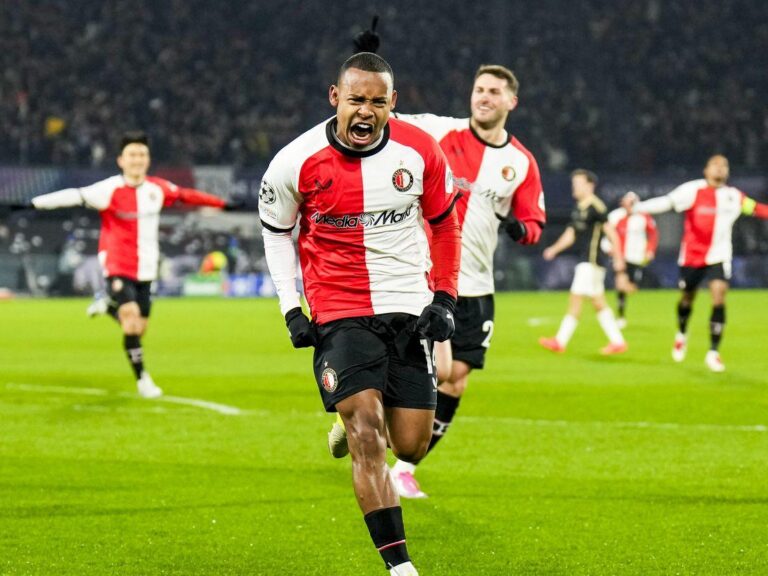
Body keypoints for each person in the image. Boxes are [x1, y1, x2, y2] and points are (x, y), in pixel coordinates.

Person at [259, 52, 460, 576]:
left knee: (411, 442)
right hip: (338, 310)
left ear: (393, 103)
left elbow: (444, 225)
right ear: (335, 98)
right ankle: (399, 566)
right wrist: (291, 306)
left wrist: (444, 298)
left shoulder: (421, 151)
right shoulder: (293, 161)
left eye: (376, 101)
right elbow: (277, 233)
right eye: (355, 100)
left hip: (407, 306)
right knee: (367, 429)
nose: (365, 111)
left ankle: (349, 423)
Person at [329, 63, 546, 500]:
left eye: (493, 91)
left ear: (510, 102)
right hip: (427, 275)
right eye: (478, 88)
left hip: (479, 285)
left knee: (457, 378)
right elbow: (378, 111)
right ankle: (362, 418)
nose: (483, 97)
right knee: (440, 369)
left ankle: (401, 463)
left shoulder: (520, 162)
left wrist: (524, 230)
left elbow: (534, 217)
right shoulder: (438, 132)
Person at [24, 131, 235, 397]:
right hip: (117, 264)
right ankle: (143, 379)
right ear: (121, 160)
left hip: (146, 268)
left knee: (138, 328)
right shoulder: (107, 189)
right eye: (132, 155)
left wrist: (222, 204)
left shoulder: (157, 189)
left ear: (148, 160)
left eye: (142, 155)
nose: (137, 160)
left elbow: (187, 196)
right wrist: (32, 203)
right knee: (132, 320)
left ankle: (108, 306)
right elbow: (73, 195)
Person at [633, 154, 768, 372]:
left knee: (719, 296)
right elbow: (666, 202)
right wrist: (638, 207)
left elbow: (757, 209)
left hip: (719, 256)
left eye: (724, 165)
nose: (720, 169)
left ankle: (713, 352)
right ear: (706, 170)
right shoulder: (692, 190)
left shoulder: (734, 197)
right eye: (715, 165)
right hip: (692, 257)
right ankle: (682, 333)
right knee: (687, 298)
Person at [539, 169, 628, 354]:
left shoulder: (596, 207)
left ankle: (560, 341)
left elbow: (613, 234)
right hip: (587, 261)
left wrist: (619, 259)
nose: (575, 187)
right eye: (574, 184)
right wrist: (554, 249)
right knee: (598, 302)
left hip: (592, 261)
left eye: (578, 183)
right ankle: (618, 342)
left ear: (590, 186)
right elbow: (571, 234)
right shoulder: (580, 208)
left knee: (576, 299)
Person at [605, 191, 658, 328]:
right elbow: (605, 235)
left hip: (636, 257)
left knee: (631, 287)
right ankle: (620, 316)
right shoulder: (615, 216)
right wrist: (607, 247)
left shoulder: (644, 217)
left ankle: (620, 303)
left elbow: (653, 234)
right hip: (620, 257)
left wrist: (650, 250)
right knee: (620, 284)